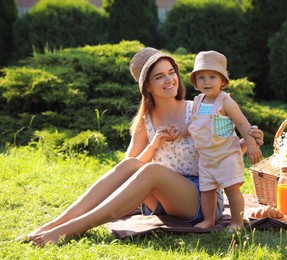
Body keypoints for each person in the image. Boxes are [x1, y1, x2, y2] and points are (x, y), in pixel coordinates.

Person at [19, 47, 264, 246]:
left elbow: (222, 152)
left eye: (171, 72)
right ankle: (52, 225)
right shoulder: (144, 123)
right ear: (147, 86)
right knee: (133, 165)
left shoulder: (199, 108)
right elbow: (127, 172)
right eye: (159, 76)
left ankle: (71, 229)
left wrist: (248, 141)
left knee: (151, 170)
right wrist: (155, 142)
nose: (169, 80)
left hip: (202, 198)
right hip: (159, 203)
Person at [187, 50, 262, 230]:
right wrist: (178, 131)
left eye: (212, 77)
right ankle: (209, 220)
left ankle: (236, 222)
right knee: (206, 191)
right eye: (201, 77)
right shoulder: (197, 101)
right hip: (206, 158)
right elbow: (192, 124)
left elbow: (243, 124)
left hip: (227, 155)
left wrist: (251, 145)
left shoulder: (225, 102)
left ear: (223, 81)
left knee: (231, 189)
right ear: (196, 81)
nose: (206, 81)